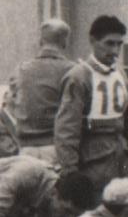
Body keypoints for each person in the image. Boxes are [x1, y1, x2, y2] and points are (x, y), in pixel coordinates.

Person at [53, 15, 128, 204]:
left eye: (119, 44)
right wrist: (70, 174)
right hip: (93, 166)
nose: (115, 51)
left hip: (122, 163)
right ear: (93, 41)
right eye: (109, 44)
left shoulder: (121, 75)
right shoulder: (79, 77)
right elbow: (66, 131)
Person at [6, 19, 80, 149]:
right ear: (65, 42)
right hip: (57, 147)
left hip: (25, 148)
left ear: (40, 41)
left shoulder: (21, 69)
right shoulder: (73, 70)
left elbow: (10, 104)